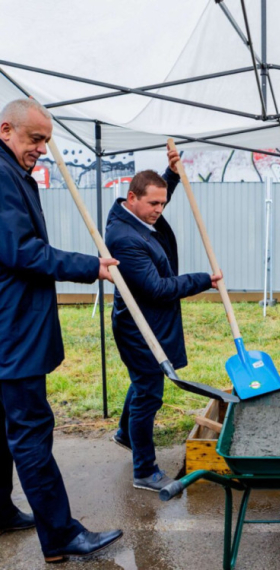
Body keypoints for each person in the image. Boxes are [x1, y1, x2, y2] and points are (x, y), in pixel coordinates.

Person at [0, 98, 122, 562]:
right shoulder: (2, 176)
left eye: (46, 141)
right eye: (35, 139)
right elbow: (24, 252)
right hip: (13, 332)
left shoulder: (12, 172)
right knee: (31, 433)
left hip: (8, 329)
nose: (41, 149)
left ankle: (0, 510)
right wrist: (91, 266)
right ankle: (61, 536)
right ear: (6, 129)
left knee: (4, 429)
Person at [105, 153, 222, 492]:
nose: (159, 209)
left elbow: (155, 193)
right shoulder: (125, 239)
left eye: (163, 202)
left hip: (149, 320)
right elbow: (156, 289)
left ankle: (126, 433)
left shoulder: (135, 217)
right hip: (138, 326)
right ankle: (144, 470)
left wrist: (170, 174)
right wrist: (203, 280)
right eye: (153, 203)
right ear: (132, 198)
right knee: (149, 394)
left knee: (144, 380)